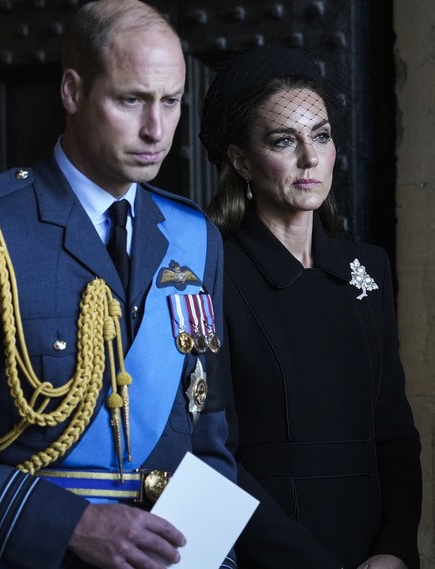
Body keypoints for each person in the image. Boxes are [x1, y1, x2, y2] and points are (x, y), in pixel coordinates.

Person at [0, 2, 238, 568]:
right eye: (131, 100)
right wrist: (73, 524)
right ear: (72, 91)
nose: (156, 129)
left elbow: (207, 429)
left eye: (171, 101)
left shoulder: (195, 237)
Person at [199, 44, 422, 569]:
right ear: (241, 161)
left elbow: (394, 430)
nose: (309, 159)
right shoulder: (212, 272)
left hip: (372, 550)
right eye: (284, 141)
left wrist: (395, 547)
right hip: (270, 550)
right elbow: (212, 452)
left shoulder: (369, 268)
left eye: (321, 136)